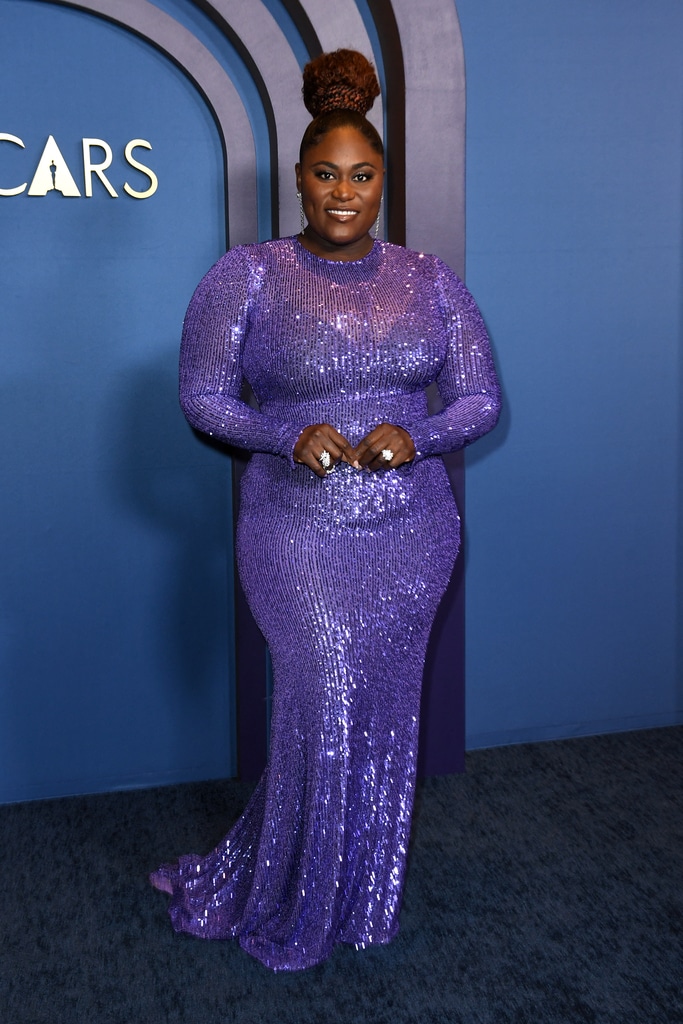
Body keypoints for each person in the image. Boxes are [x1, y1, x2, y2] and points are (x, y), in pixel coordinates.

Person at [150, 49, 501, 972]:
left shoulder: (430, 278)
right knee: (323, 699)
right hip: (295, 529)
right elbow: (201, 395)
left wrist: (415, 436)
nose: (343, 192)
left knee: (381, 711)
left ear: (383, 180)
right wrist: (280, 435)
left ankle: (360, 895)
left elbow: (479, 401)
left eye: (362, 175)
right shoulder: (248, 274)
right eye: (324, 174)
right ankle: (291, 890)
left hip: (412, 529)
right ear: (298, 180)